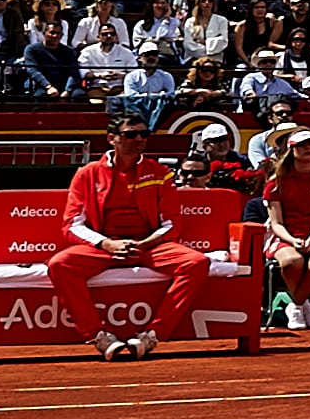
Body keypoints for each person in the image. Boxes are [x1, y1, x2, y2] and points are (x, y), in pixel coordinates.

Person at [51, 115, 234, 358]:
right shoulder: (87, 174)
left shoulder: (161, 173)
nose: (139, 139)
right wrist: (107, 243)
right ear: (112, 139)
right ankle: (97, 336)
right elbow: (72, 224)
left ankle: (153, 334)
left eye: (143, 134)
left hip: (149, 246)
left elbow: (172, 224)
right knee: (60, 264)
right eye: (131, 134)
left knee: (196, 263)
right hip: (104, 246)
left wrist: (144, 244)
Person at [259, 130, 310, 327]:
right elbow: (276, 223)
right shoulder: (276, 183)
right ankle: (303, 303)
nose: (308, 148)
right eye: (302, 145)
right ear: (291, 149)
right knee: (291, 261)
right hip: (284, 236)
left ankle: (295, 305)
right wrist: (292, 240)